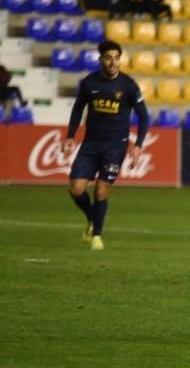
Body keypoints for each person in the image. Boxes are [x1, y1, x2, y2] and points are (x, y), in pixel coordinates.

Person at [62, 40, 148, 251]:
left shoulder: (129, 85)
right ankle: (93, 219)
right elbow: (77, 109)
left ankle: (97, 236)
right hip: (90, 143)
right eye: (108, 58)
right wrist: (71, 136)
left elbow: (144, 117)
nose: (113, 62)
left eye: (116, 58)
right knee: (75, 189)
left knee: (101, 190)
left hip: (115, 146)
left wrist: (138, 146)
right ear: (101, 59)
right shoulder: (89, 83)